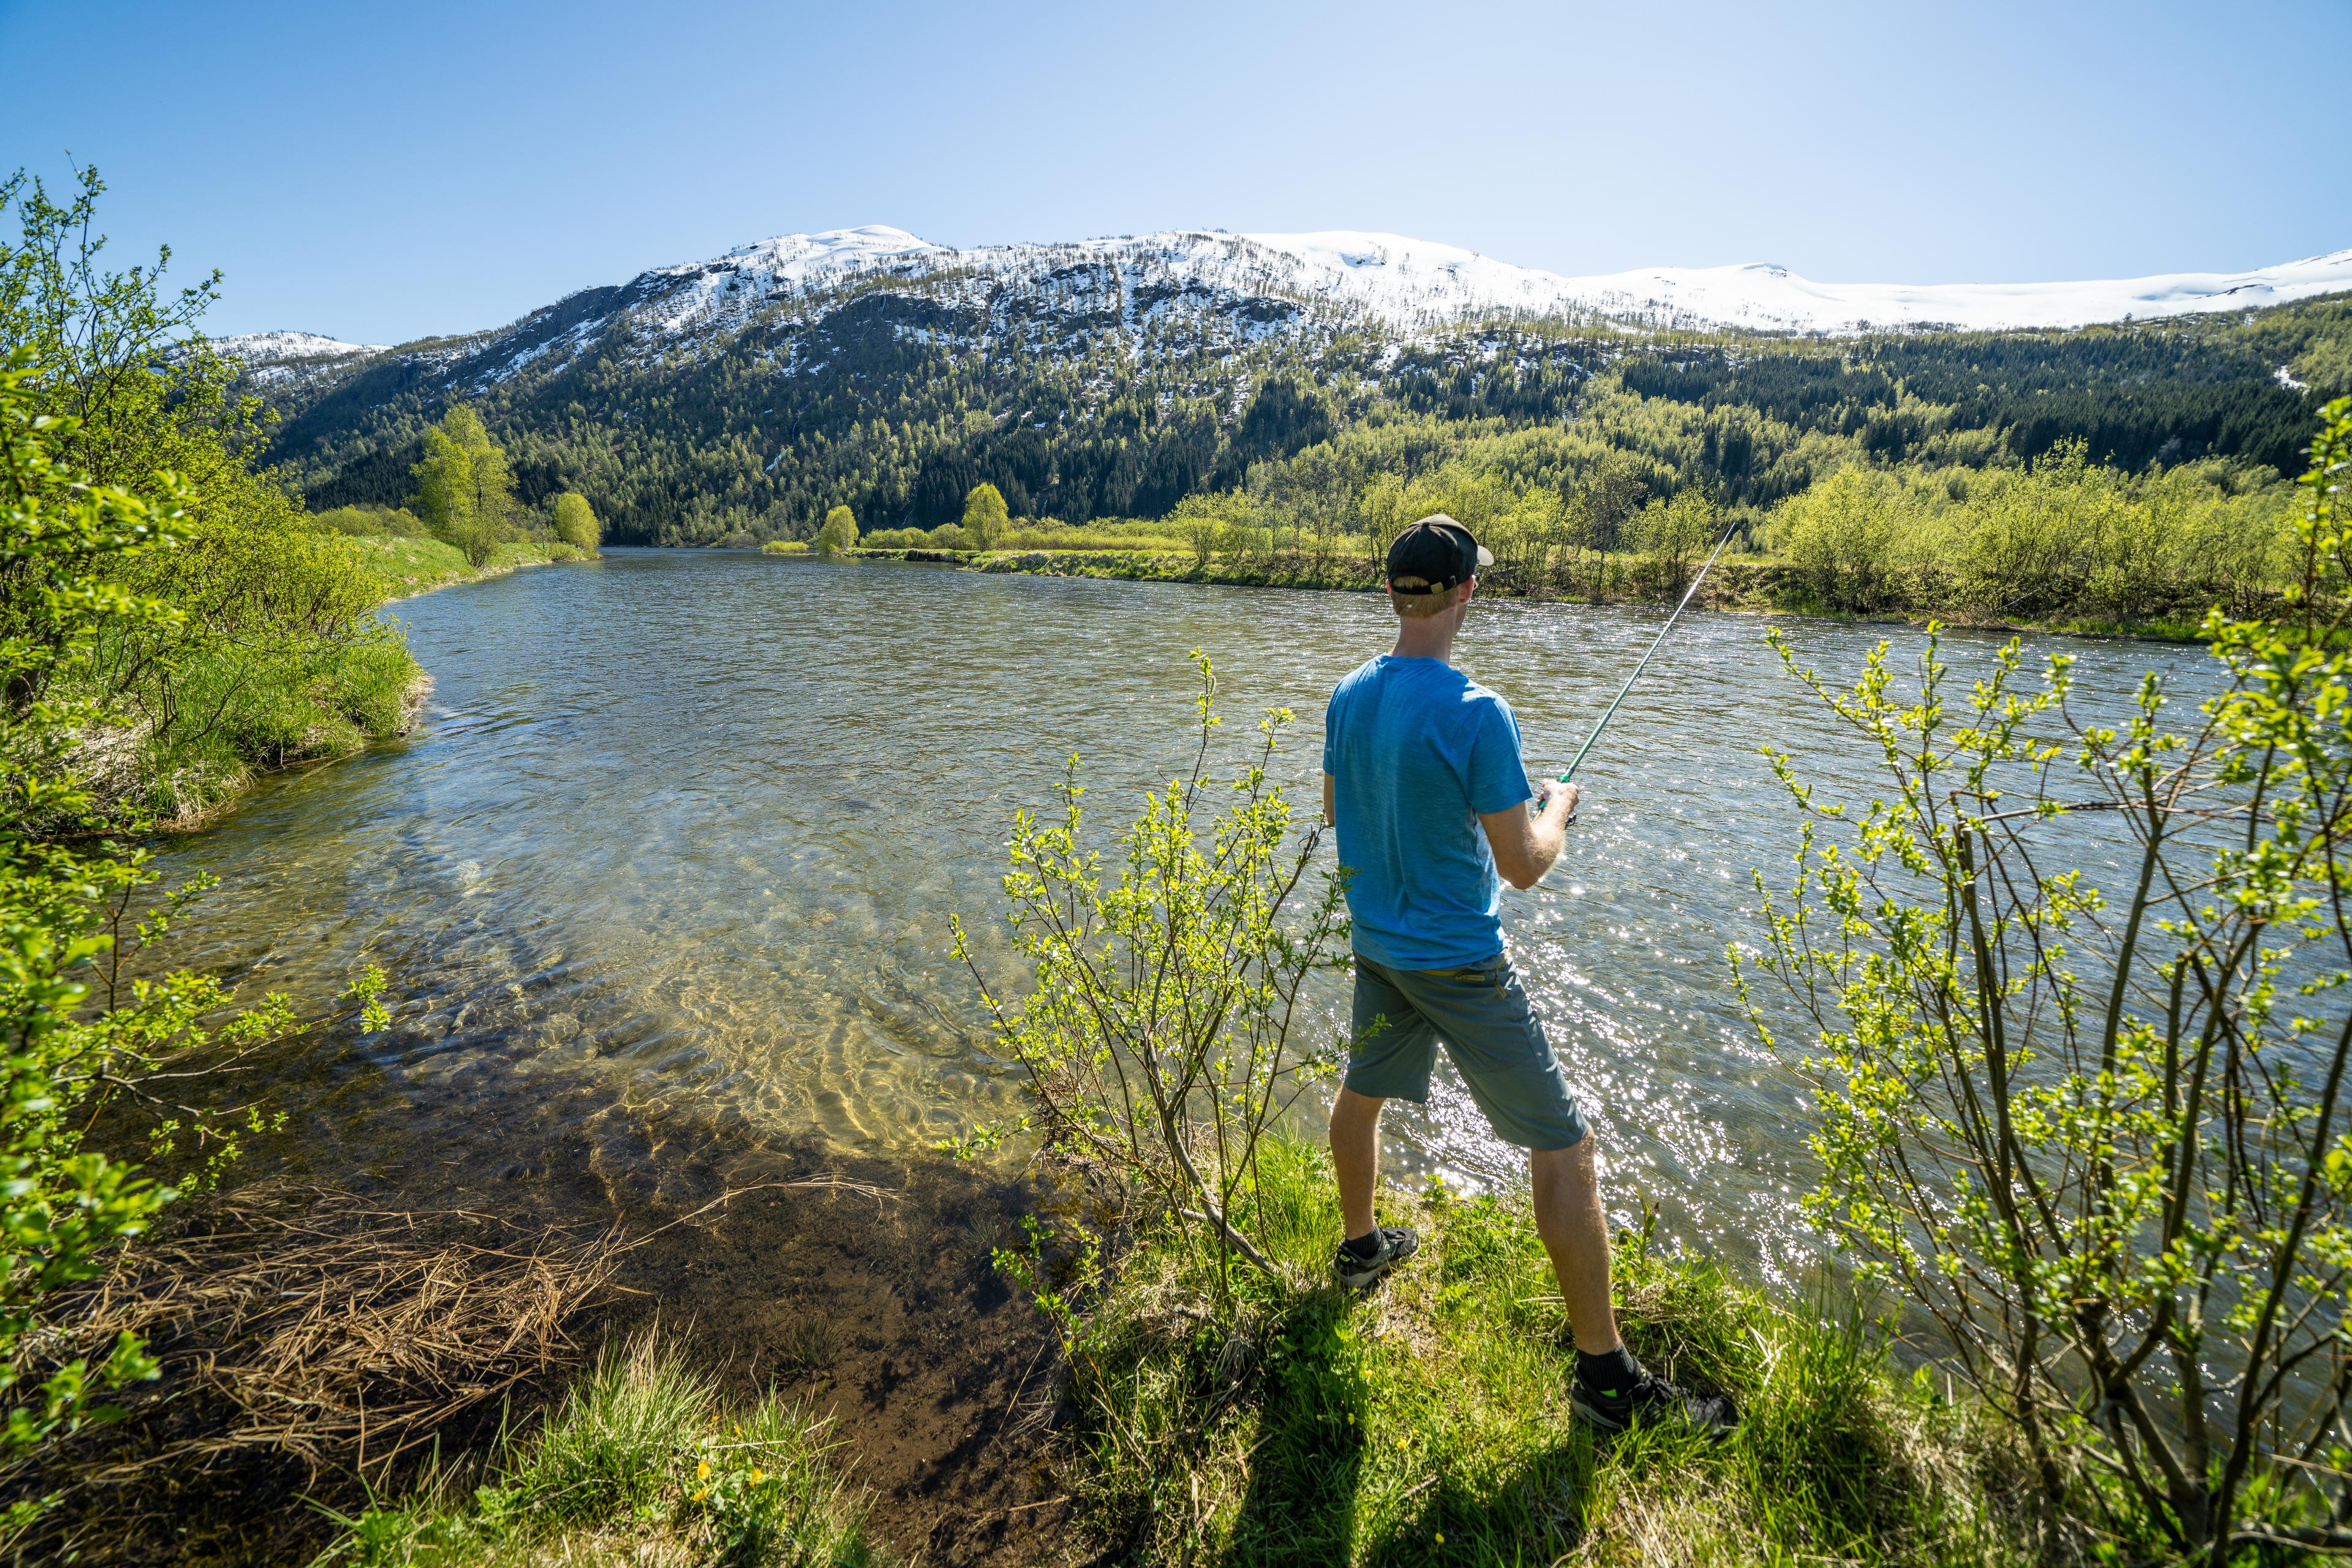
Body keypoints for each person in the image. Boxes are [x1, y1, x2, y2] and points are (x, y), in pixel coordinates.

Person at [1319, 513, 1736, 1438]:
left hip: (1379, 945)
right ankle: (1607, 1383)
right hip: (1460, 966)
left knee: (1363, 1092)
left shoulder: (1348, 695)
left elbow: (1340, 812)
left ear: (1392, 591)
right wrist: (1556, 808)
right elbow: (1524, 865)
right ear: (1468, 591)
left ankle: (1360, 1250)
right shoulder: (1479, 712)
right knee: (1566, 1147)